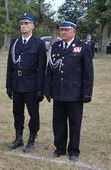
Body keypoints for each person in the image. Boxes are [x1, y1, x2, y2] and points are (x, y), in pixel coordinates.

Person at [44, 19, 94, 162]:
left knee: (75, 122)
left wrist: (87, 93)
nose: (63, 32)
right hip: (58, 92)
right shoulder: (56, 46)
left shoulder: (82, 47)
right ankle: (59, 148)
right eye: (62, 30)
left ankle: (73, 150)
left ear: (74, 32)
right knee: (58, 122)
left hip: (75, 93)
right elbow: (50, 70)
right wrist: (47, 89)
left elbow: (88, 73)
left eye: (66, 30)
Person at [6, 13, 47, 152]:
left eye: (27, 23)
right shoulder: (15, 42)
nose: (23, 26)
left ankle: (31, 139)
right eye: (22, 23)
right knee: (17, 112)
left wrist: (40, 88)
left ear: (33, 26)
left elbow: (42, 68)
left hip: (31, 84)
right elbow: (10, 66)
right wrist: (9, 85)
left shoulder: (39, 43)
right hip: (17, 83)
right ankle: (18, 138)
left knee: (33, 114)